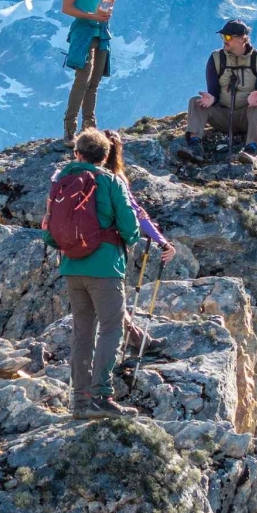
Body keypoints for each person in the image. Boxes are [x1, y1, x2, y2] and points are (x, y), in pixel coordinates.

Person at [43, 129, 141, 419]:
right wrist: (131, 238)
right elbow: (128, 227)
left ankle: (80, 402)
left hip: (72, 268)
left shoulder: (61, 181)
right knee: (112, 328)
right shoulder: (110, 181)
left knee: (82, 333)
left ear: (77, 153)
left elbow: (50, 233)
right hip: (105, 268)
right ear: (106, 155)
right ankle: (102, 395)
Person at [102, 130, 174, 356]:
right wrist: (163, 243)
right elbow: (138, 216)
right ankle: (136, 341)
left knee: (107, 303)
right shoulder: (115, 179)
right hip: (107, 251)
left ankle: (137, 338)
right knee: (113, 300)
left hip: (76, 252)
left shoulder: (80, 177)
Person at [180, 19, 257, 166]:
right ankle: (195, 146)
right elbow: (213, 91)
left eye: (228, 37)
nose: (224, 40)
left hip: (246, 116)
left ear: (242, 39)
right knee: (195, 101)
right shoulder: (216, 58)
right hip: (223, 116)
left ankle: (251, 151)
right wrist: (211, 99)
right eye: (223, 37)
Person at [60, 0, 115, 145]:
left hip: (100, 32)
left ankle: (89, 128)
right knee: (82, 80)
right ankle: (70, 130)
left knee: (94, 83)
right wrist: (92, 17)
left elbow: (101, 5)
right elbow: (67, 8)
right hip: (84, 32)